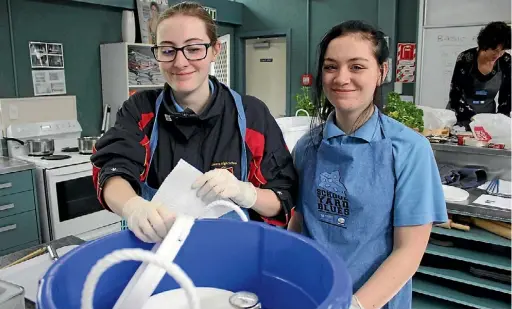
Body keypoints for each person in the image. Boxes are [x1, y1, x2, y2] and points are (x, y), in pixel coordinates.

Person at [91, 1, 297, 243]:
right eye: (168, 50)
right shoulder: (141, 109)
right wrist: (133, 206)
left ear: (215, 50)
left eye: (194, 48)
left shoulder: (251, 114)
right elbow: (113, 169)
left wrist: (247, 194)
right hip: (158, 255)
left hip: (232, 254)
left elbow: (282, 197)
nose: (180, 63)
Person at [287, 21, 448, 309]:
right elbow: (300, 223)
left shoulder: (409, 150)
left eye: (357, 67)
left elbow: (408, 250)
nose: (341, 78)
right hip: (312, 295)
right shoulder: (307, 146)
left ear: (381, 72)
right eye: (331, 67)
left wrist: (355, 305)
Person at [448, 21, 511, 128]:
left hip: (487, 119)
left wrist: (502, 121)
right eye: (495, 50)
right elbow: (455, 94)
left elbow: (506, 97)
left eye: (502, 50)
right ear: (485, 45)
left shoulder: (506, 61)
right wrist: (473, 118)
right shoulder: (465, 58)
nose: (498, 55)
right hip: (461, 117)